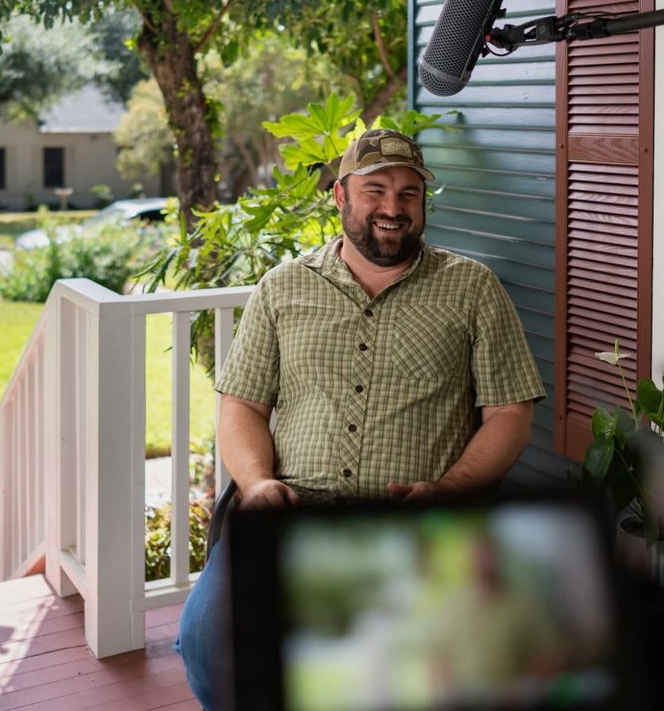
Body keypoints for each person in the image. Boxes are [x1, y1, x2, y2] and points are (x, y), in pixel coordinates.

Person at [175, 128, 547, 709]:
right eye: (376, 191)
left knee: (424, 669)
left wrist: (449, 490)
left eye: (408, 194)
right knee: (206, 642)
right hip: (291, 513)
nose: (393, 209)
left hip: (416, 529)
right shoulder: (283, 287)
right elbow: (242, 404)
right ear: (341, 197)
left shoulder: (472, 289)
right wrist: (257, 482)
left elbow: (509, 413)